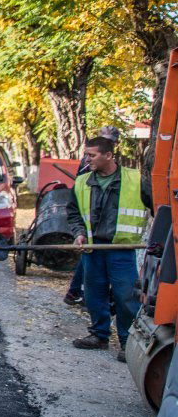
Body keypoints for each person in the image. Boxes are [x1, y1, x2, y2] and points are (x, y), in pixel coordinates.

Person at [68, 135, 152, 362]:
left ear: (108, 155)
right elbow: (73, 213)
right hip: (93, 249)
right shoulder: (82, 182)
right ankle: (99, 335)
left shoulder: (135, 180)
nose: (87, 158)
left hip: (122, 250)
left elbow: (157, 207)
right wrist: (79, 233)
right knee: (94, 294)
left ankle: (127, 343)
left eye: (92, 155)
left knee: (125, 296)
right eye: (87, 154)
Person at [63, 126, 122, 307]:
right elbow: (81, 192)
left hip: (109, 230)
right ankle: (75, 292)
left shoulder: (119, 170)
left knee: (89, 260)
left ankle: (76, 292)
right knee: (88, 258)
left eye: (111, 142)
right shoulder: (90, 162)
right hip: (90, 220)